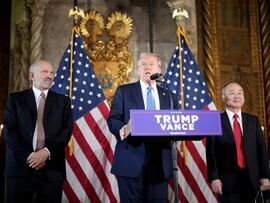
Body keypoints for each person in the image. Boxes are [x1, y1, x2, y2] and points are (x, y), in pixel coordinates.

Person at [107, 52, 179, 203]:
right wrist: (121, 129)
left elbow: (176, 122)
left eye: (152, 64)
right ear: (138, 70)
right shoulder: (124, 91)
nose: (147, 67)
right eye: (144, 65)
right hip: (130, 158)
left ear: (159, 70)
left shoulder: (170, 96)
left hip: (160, 162)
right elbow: (114, 118)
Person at [3, 60, 73, 203]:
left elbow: (66, 131)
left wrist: (45, 152)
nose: (49, 75)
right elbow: (10, 131)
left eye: (51, 72)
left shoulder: (63, 101)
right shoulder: (16, 99)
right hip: (19, 168)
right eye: (44, 72)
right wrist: (31, 157)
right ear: (31, 76)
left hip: (52, 170)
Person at [206, 82, 270, 203]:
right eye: (232, 93)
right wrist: (214, 177)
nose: (237, 96)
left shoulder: (253, 121)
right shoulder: (215, 121)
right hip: (227, 180)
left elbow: (261, 150)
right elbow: (211, 153)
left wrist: (265, 176)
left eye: (240, 93)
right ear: (223, 98)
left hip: (252, 179)